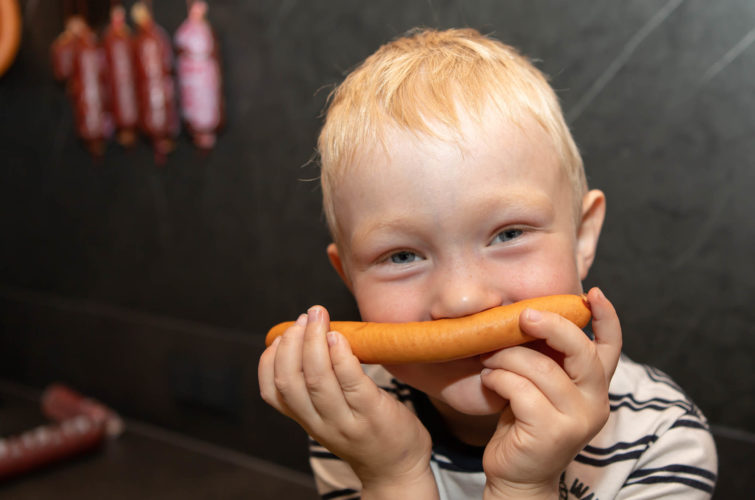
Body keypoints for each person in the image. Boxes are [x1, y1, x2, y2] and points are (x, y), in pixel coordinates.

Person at [258, 28, 717, 499]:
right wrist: (391, 477)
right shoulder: (350, 424)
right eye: (402, 256)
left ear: (583, 237)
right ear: (349, 279)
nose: (462, 299)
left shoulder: (662, 439)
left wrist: (525, 486)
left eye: (509, 234)